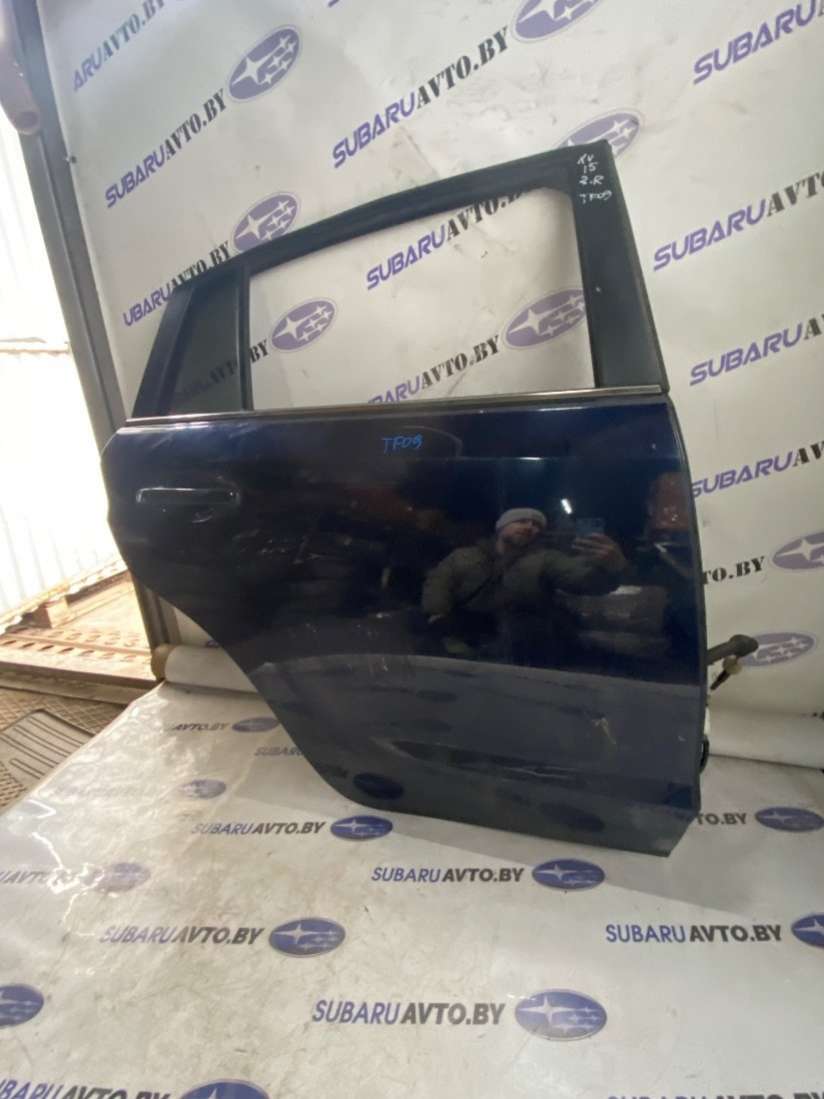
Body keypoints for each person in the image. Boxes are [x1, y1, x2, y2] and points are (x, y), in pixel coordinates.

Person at [421, 507, 626, 664]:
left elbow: (581, 580)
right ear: (501, 527)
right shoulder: (464, 556)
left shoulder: (546, 559)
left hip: (521, 648)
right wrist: (437, 614)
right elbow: (438, 582)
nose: (530, 527)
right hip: (462, 639)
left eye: (536, 525)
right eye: (521, 521)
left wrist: (612, 568)